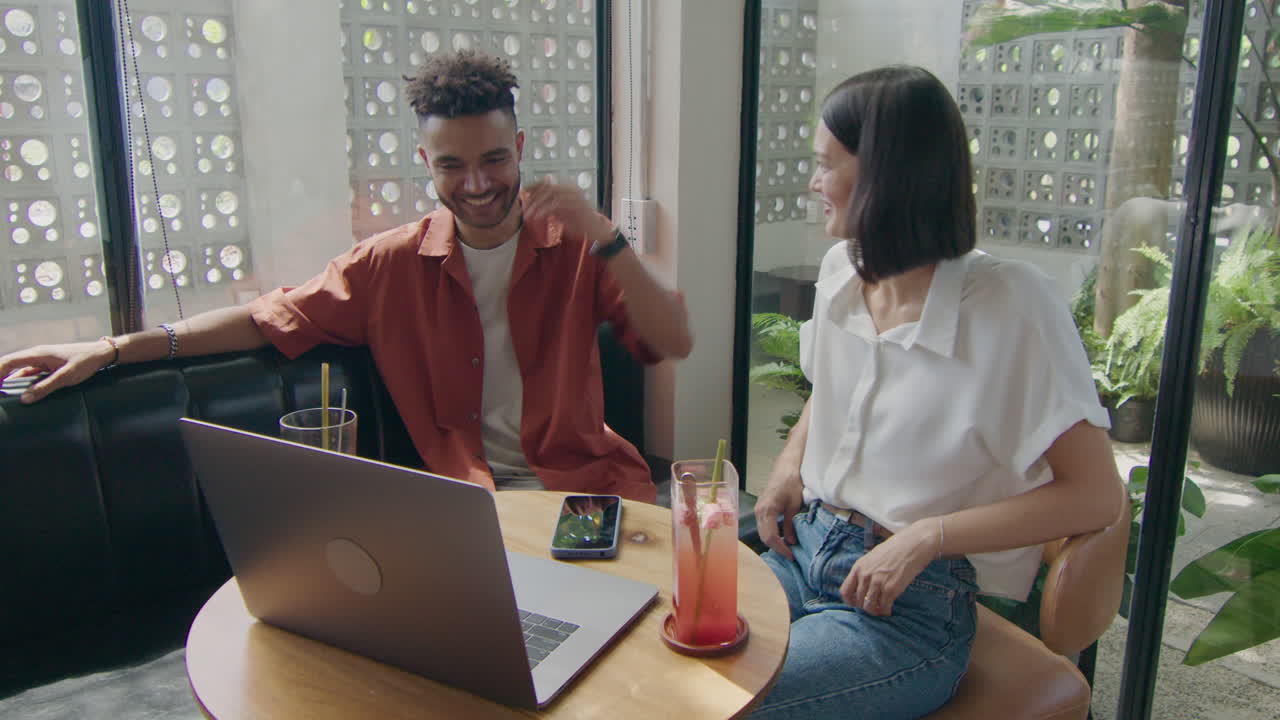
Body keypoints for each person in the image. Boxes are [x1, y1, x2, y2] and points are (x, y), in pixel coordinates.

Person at [0, 50, 691, 503]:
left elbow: (675, 340)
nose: (477, 185)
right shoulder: (390, 265)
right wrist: (114, 349)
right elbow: (266, 317)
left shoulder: (577, 248)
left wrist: (608, 236)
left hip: (593, 495)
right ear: (426, 161)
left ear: (519, 148)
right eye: (452, 165)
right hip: (475, 512)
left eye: (493, 160)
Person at [751, 66, 1125, 719]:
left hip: (908, 608)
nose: (813, 183)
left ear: (887, 178)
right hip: (802, 548)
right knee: (666, 647)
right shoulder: (845, 268)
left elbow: (1095, 494)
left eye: (824, 165)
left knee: (733, 701)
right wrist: (788, 468)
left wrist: (926, 536)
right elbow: (834, 386)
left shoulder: (1012, 306)